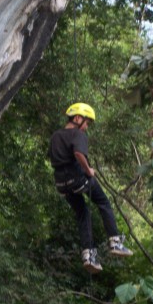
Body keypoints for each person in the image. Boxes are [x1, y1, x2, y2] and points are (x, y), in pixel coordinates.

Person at [48, 102, 133, 273]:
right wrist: (88, 170)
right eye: (86, 122)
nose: (86, 127)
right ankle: (115, 242)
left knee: (83, 212)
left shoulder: (55, 136)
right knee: (103, 202)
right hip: (78, 178)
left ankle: (88, 255)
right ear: (78, 118)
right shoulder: (78, 135)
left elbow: (53, 158)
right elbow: (78, 154)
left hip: (61, 183)